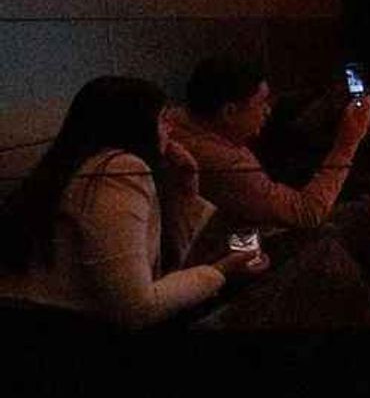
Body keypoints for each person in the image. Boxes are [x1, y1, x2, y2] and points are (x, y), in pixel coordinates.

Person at [0, 77, 265, 327]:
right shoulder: (116, 170)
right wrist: (221, 272)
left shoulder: (81, 164)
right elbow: (137, 307)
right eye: (163, 119)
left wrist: (185, 192)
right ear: (135, 125)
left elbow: (162, 270)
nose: (171, 129)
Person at [173, 56, 370, 231]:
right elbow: (308, 214)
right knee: (365, 214)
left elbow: (280, 134)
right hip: (241, 250)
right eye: (261, 103)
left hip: (241, 231)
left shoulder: (181, 123)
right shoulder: (222, 162)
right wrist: (347, 143)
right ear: (229, 112)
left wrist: (320, 109)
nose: (267, 110)